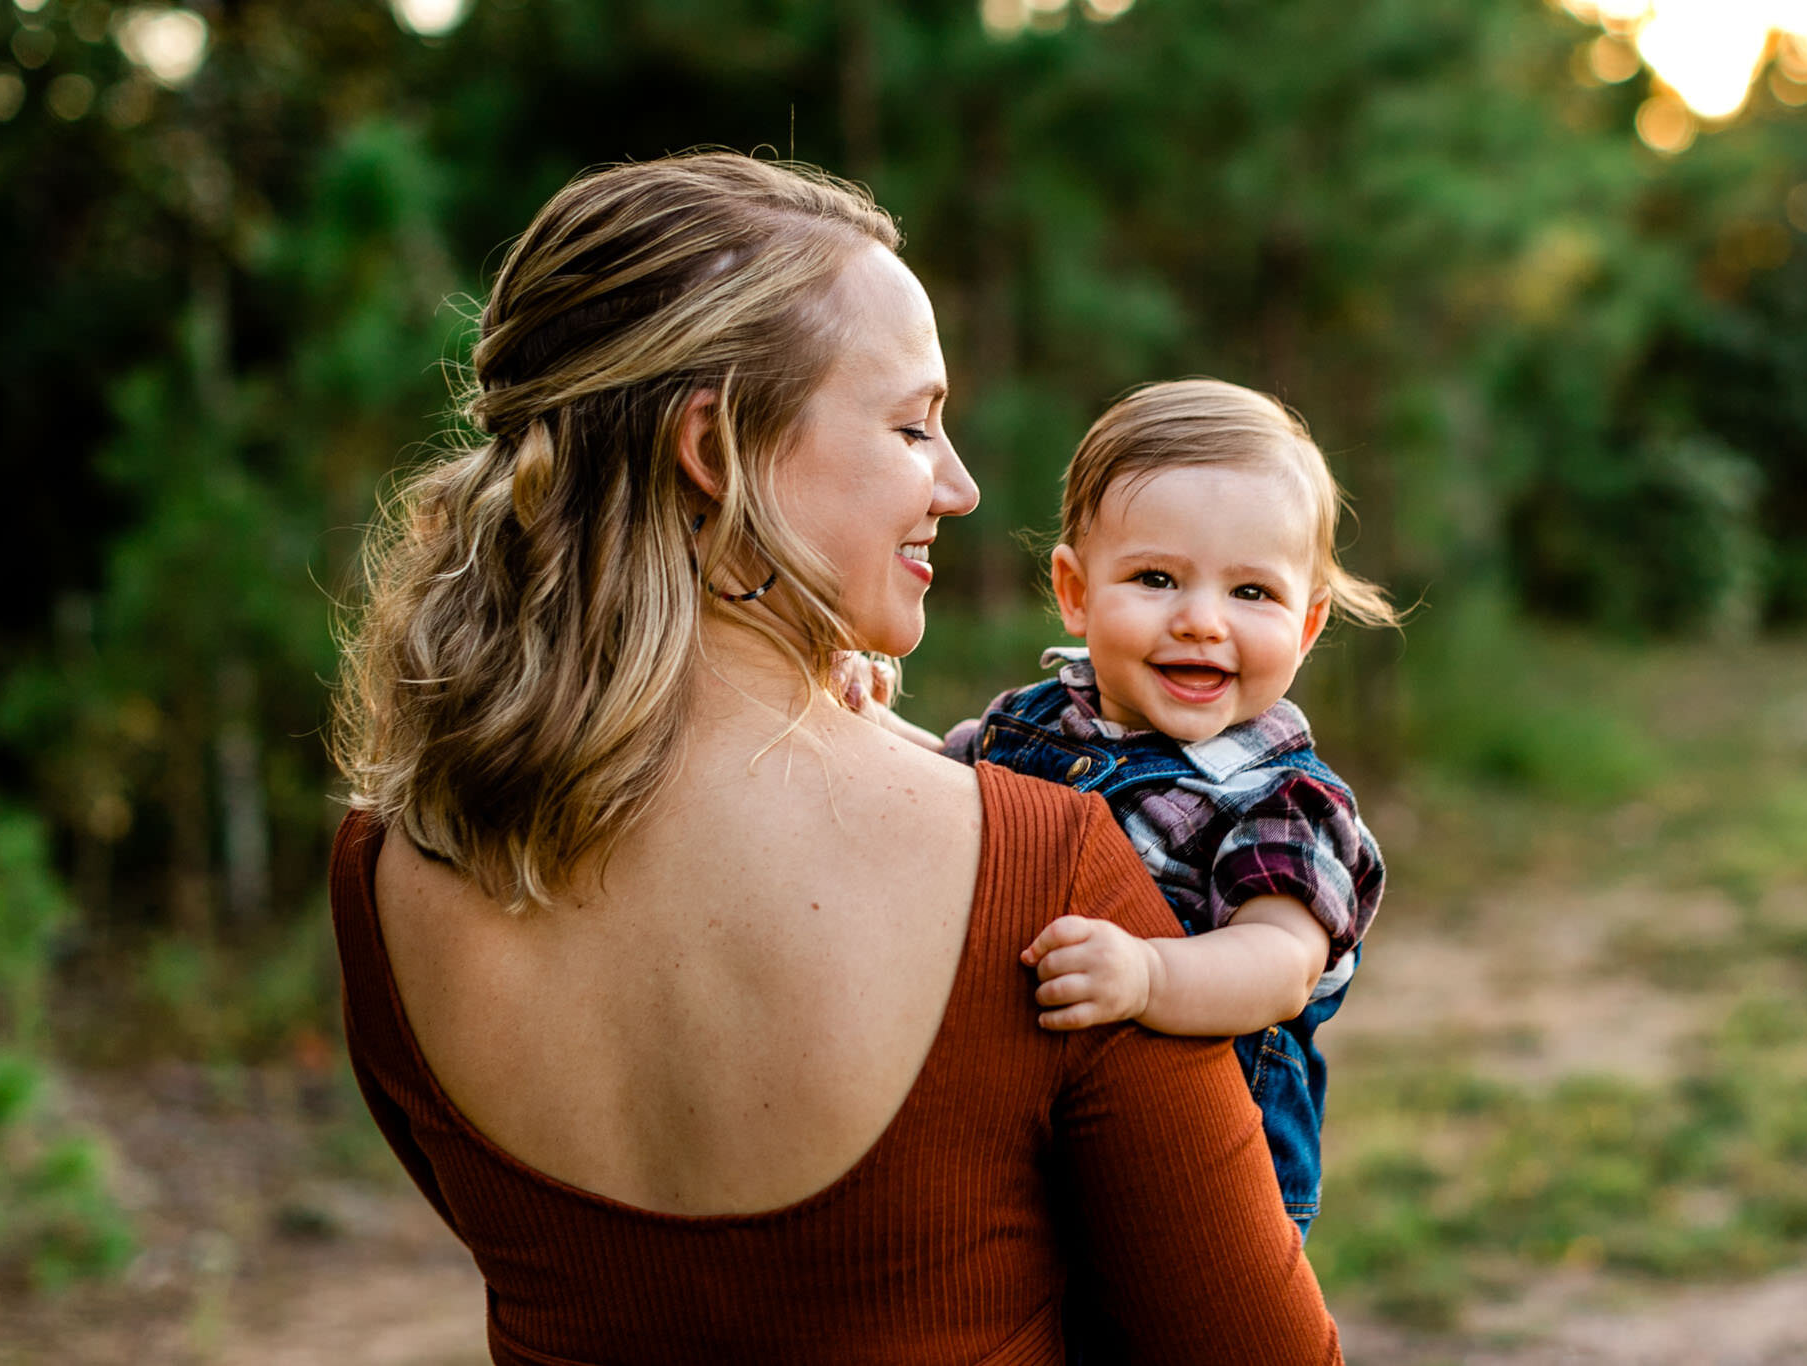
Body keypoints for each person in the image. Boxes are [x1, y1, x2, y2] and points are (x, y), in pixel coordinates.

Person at [330, 154, 1341, 1365]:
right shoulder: (1038, 869)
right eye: (911, 425)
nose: (959, 486)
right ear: (716, 448)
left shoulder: (390, 867)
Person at [880, 380, 1396, 1239]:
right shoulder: (1034, 721)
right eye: (1156, 579)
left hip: (1196, 1185)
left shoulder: (1279, 797)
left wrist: (1149, 976)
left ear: (1307, 627)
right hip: (1026, 1141)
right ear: (1076, 593)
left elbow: (1281, 960)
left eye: (1251, 594)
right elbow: (944, 790)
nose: (1200, 621)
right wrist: (854, 716)